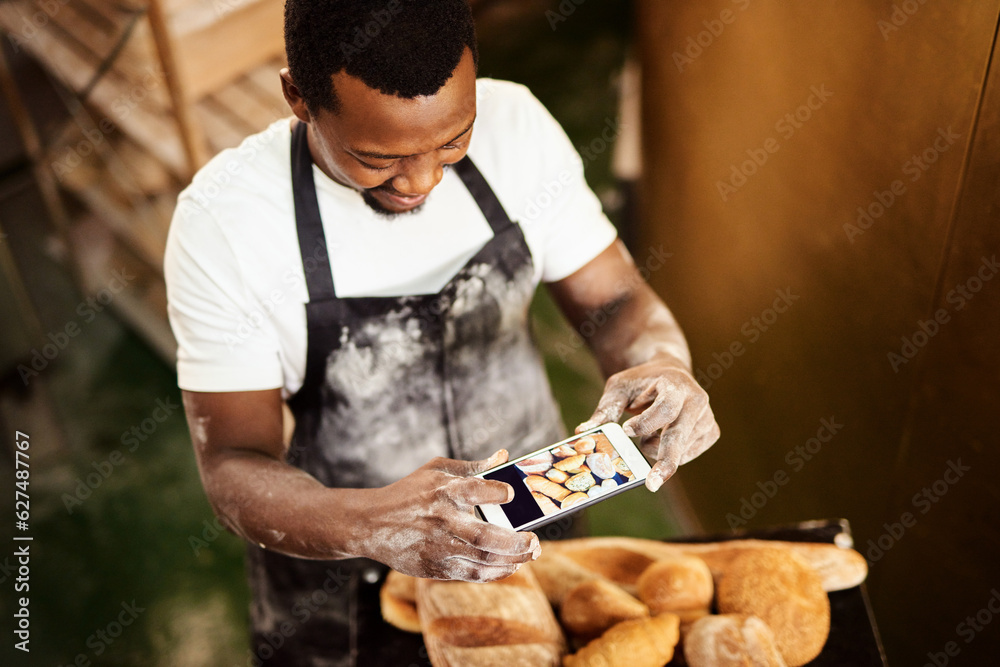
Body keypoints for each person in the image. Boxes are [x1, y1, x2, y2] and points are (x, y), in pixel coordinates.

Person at [164, 0, 719, 663]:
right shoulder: (226, 224)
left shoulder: (517, 129)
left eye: (454, 142)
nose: (423, 180)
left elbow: (619, 300)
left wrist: (662, 361)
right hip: (343, 565)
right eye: (377, 158)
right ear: (298, 97)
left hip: (535, 509)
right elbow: (233, 463)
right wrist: (373, 523)